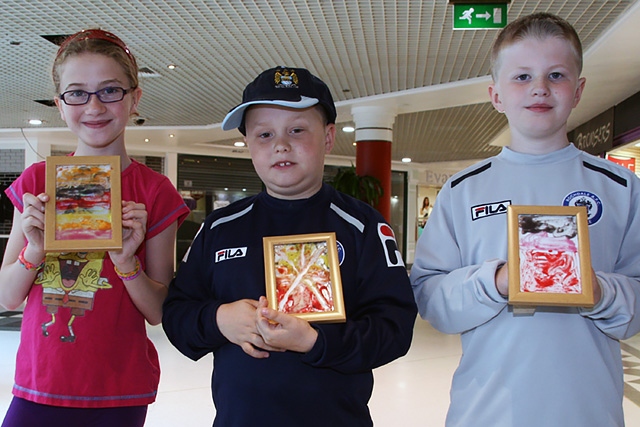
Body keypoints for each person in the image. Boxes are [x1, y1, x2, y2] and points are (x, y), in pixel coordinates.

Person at [410, 12, 640, 427]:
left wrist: (599, 290)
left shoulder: (621, 188)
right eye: (521, 77)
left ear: (579, 90)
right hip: (485, 414)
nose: (539, 88)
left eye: (556, 75)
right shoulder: (463, 191)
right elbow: (430, 299)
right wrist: (496, 281)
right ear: (495, 94)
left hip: (589, 413)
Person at [162, 66, 417, 427]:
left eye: (297, 131)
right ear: (248, 143)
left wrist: (315, 341)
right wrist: (221, 320)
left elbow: (394, 330)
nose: (280, 145)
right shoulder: (219, 227)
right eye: (264, 134)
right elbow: (176, 314)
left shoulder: (364, 227)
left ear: (328, 138)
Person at [0, 29, 190, 427]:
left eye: (109, 91)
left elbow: (159, 311)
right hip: (40, 380)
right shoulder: (36, 182)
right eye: (77, 93)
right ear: (59, 103)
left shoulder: (154, 192)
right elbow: (6, 296)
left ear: (135, 98)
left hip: (118, 388)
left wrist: (126, 262)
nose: (94, 106)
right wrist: (33, 251)